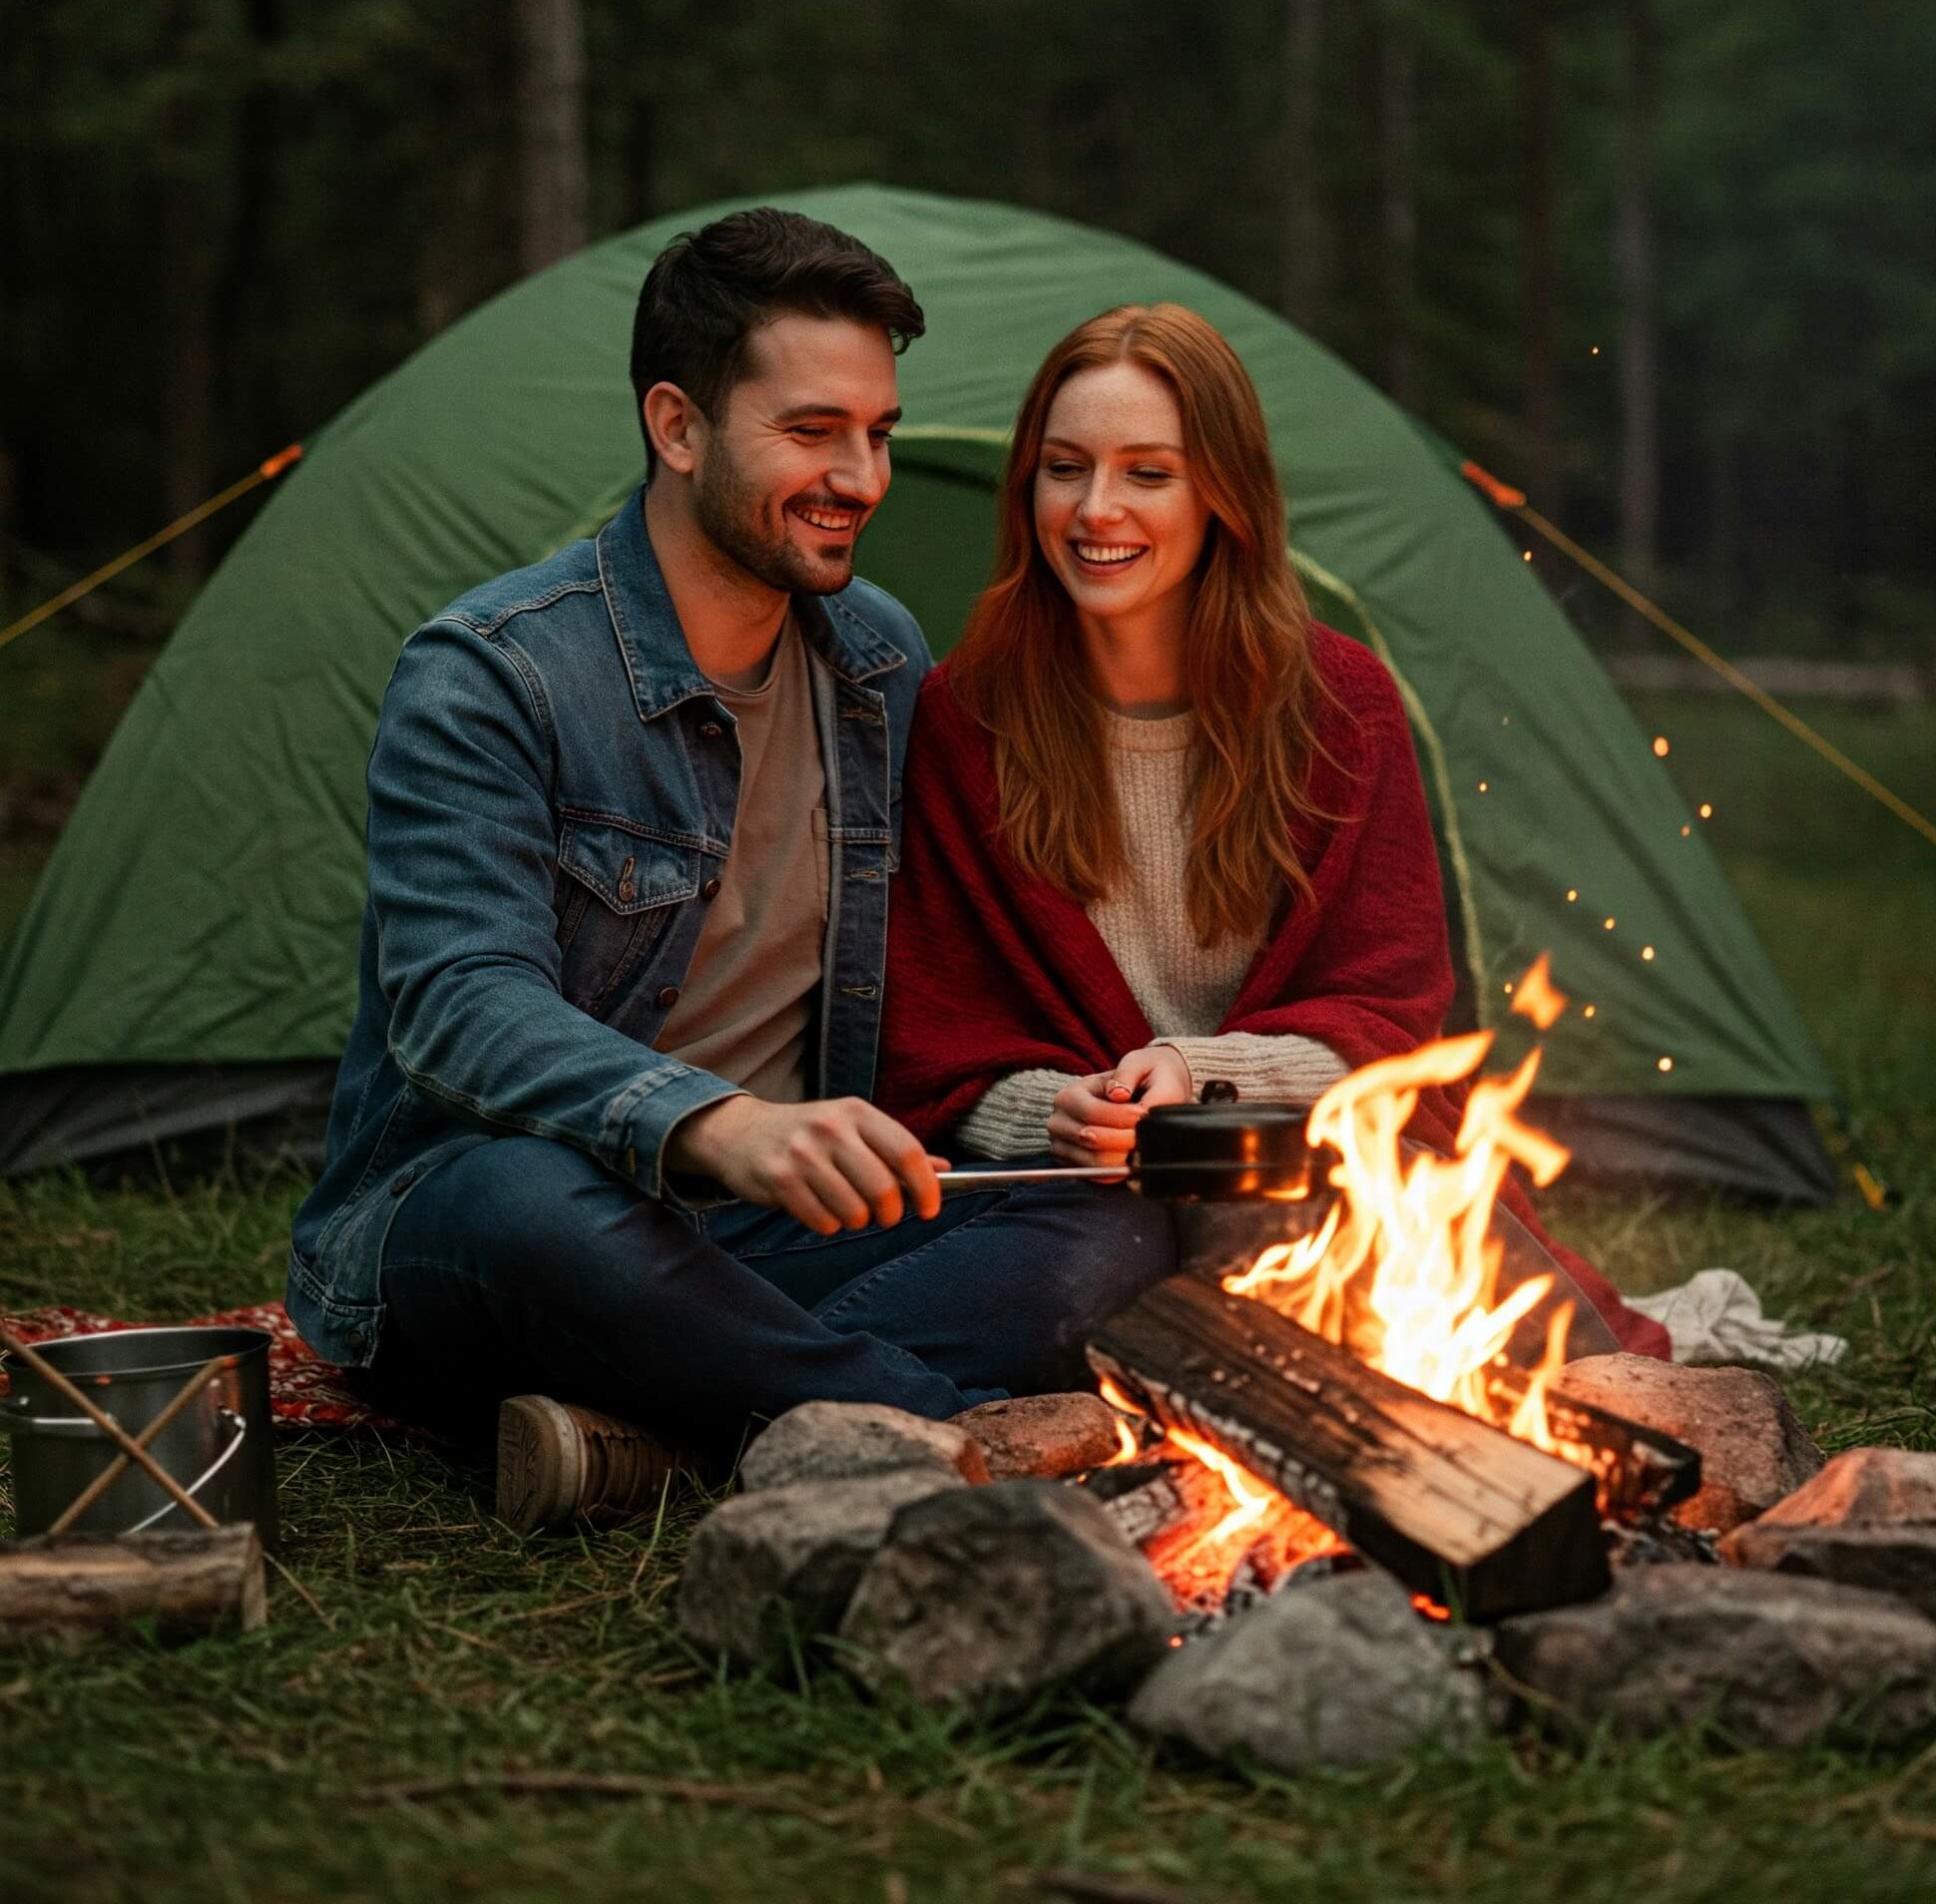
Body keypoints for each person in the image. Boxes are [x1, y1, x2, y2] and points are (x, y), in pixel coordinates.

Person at [285, 212, 1178, 1531]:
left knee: (1110, 1229)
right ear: (678, 425)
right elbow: (459, 1002)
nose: (862, 477)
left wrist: (1072, 1099)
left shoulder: (874, 659)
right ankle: (936, 1437)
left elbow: (955, 951)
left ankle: (672, 1428)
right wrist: (719, 1124)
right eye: (814, 431)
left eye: (876, 432)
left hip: (766, 1244)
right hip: (515, 1222)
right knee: (522, 1202)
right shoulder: (494, 675)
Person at [875, 301, 1669, 1360]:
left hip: (1306, 1157)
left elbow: (1389, 1008)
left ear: (1221, 494)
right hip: (1073, 1196)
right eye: (1064, 467)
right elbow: (934, 1032)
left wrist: (1201, 1073)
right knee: (1082, 1271)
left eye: (1146, 472)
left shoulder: (1338, 702)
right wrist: (1057, 1111)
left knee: (1536, 1344)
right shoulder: (965, 714)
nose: (1094, 507)